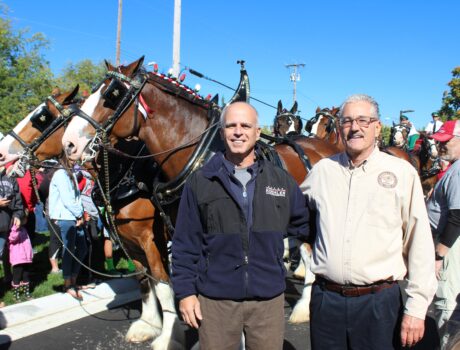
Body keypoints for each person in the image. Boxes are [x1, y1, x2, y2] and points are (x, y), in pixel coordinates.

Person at [301, 94, 437, 349]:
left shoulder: (402, 173)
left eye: (364, 120)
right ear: (340, 128)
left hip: (379, 305)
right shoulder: (321, 171)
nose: (355, 127)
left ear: (377, 127)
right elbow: (292, 214)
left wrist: (417, 308)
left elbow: (419, 242)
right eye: (348, 121)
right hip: (326, 303)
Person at [171, 102, 309, 349]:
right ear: (221, 132)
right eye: (231, 125)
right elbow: (184, 244)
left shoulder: (280, 181)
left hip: (267, 300)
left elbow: (308, 226)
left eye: (245, 125)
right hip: (216, 301)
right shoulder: (200, 182)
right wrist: (185, 293)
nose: (238, 131)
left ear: (257, 132)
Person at [426, 120, 460, 350]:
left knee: (446, 305)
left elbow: (457, 216)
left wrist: (439, 255)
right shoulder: (454, 168)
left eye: (446, 142)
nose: (441, 147)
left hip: (450, 247)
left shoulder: (458, 171)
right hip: (448, 243)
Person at [48, 155, 87, 300]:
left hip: (74, 216)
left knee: (82, 248)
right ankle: (67, 283)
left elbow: (77, 197)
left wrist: (80, 214)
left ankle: (73, 279)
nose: (75, 161)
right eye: (72, 158)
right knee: (69, 250)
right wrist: (79, 215)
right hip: (65, 216)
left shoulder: (70, 174)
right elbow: (67, 199)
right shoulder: (61, 174)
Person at [0, 163, 24, 285]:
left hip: (5, 225)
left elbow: (18, 202)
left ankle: (8, 277)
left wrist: (17, 215)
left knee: (5, 253)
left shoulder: (10, 177)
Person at [8, 222, 33, 300]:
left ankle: (26, 293)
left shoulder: (24, 229)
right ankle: (16, 295)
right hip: (18, 259)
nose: (25, 220)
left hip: (26, 259)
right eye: (23, 218)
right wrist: (15, 228)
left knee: (26, 276)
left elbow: (28, 243)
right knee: (17, 277)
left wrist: (30, 254)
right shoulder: (13, 230)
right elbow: (12, 238)